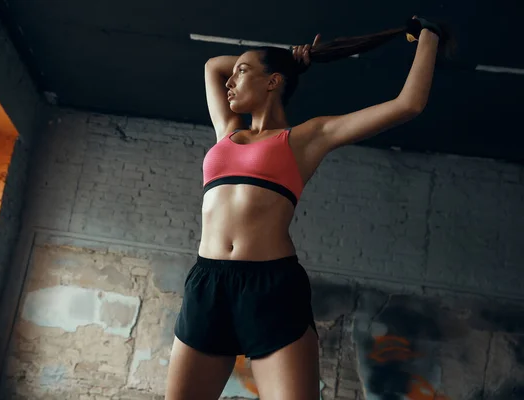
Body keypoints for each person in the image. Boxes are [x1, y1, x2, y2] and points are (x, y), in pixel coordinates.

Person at [166, 16, 442, 400]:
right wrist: (291, 60)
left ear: (272, 82)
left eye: (242, 72)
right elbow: (213, 66)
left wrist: (429, 36)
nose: (230, 81)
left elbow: (408, 105)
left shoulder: (307, 138)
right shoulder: (227, 131)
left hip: (271, 289)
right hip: (208, 284)